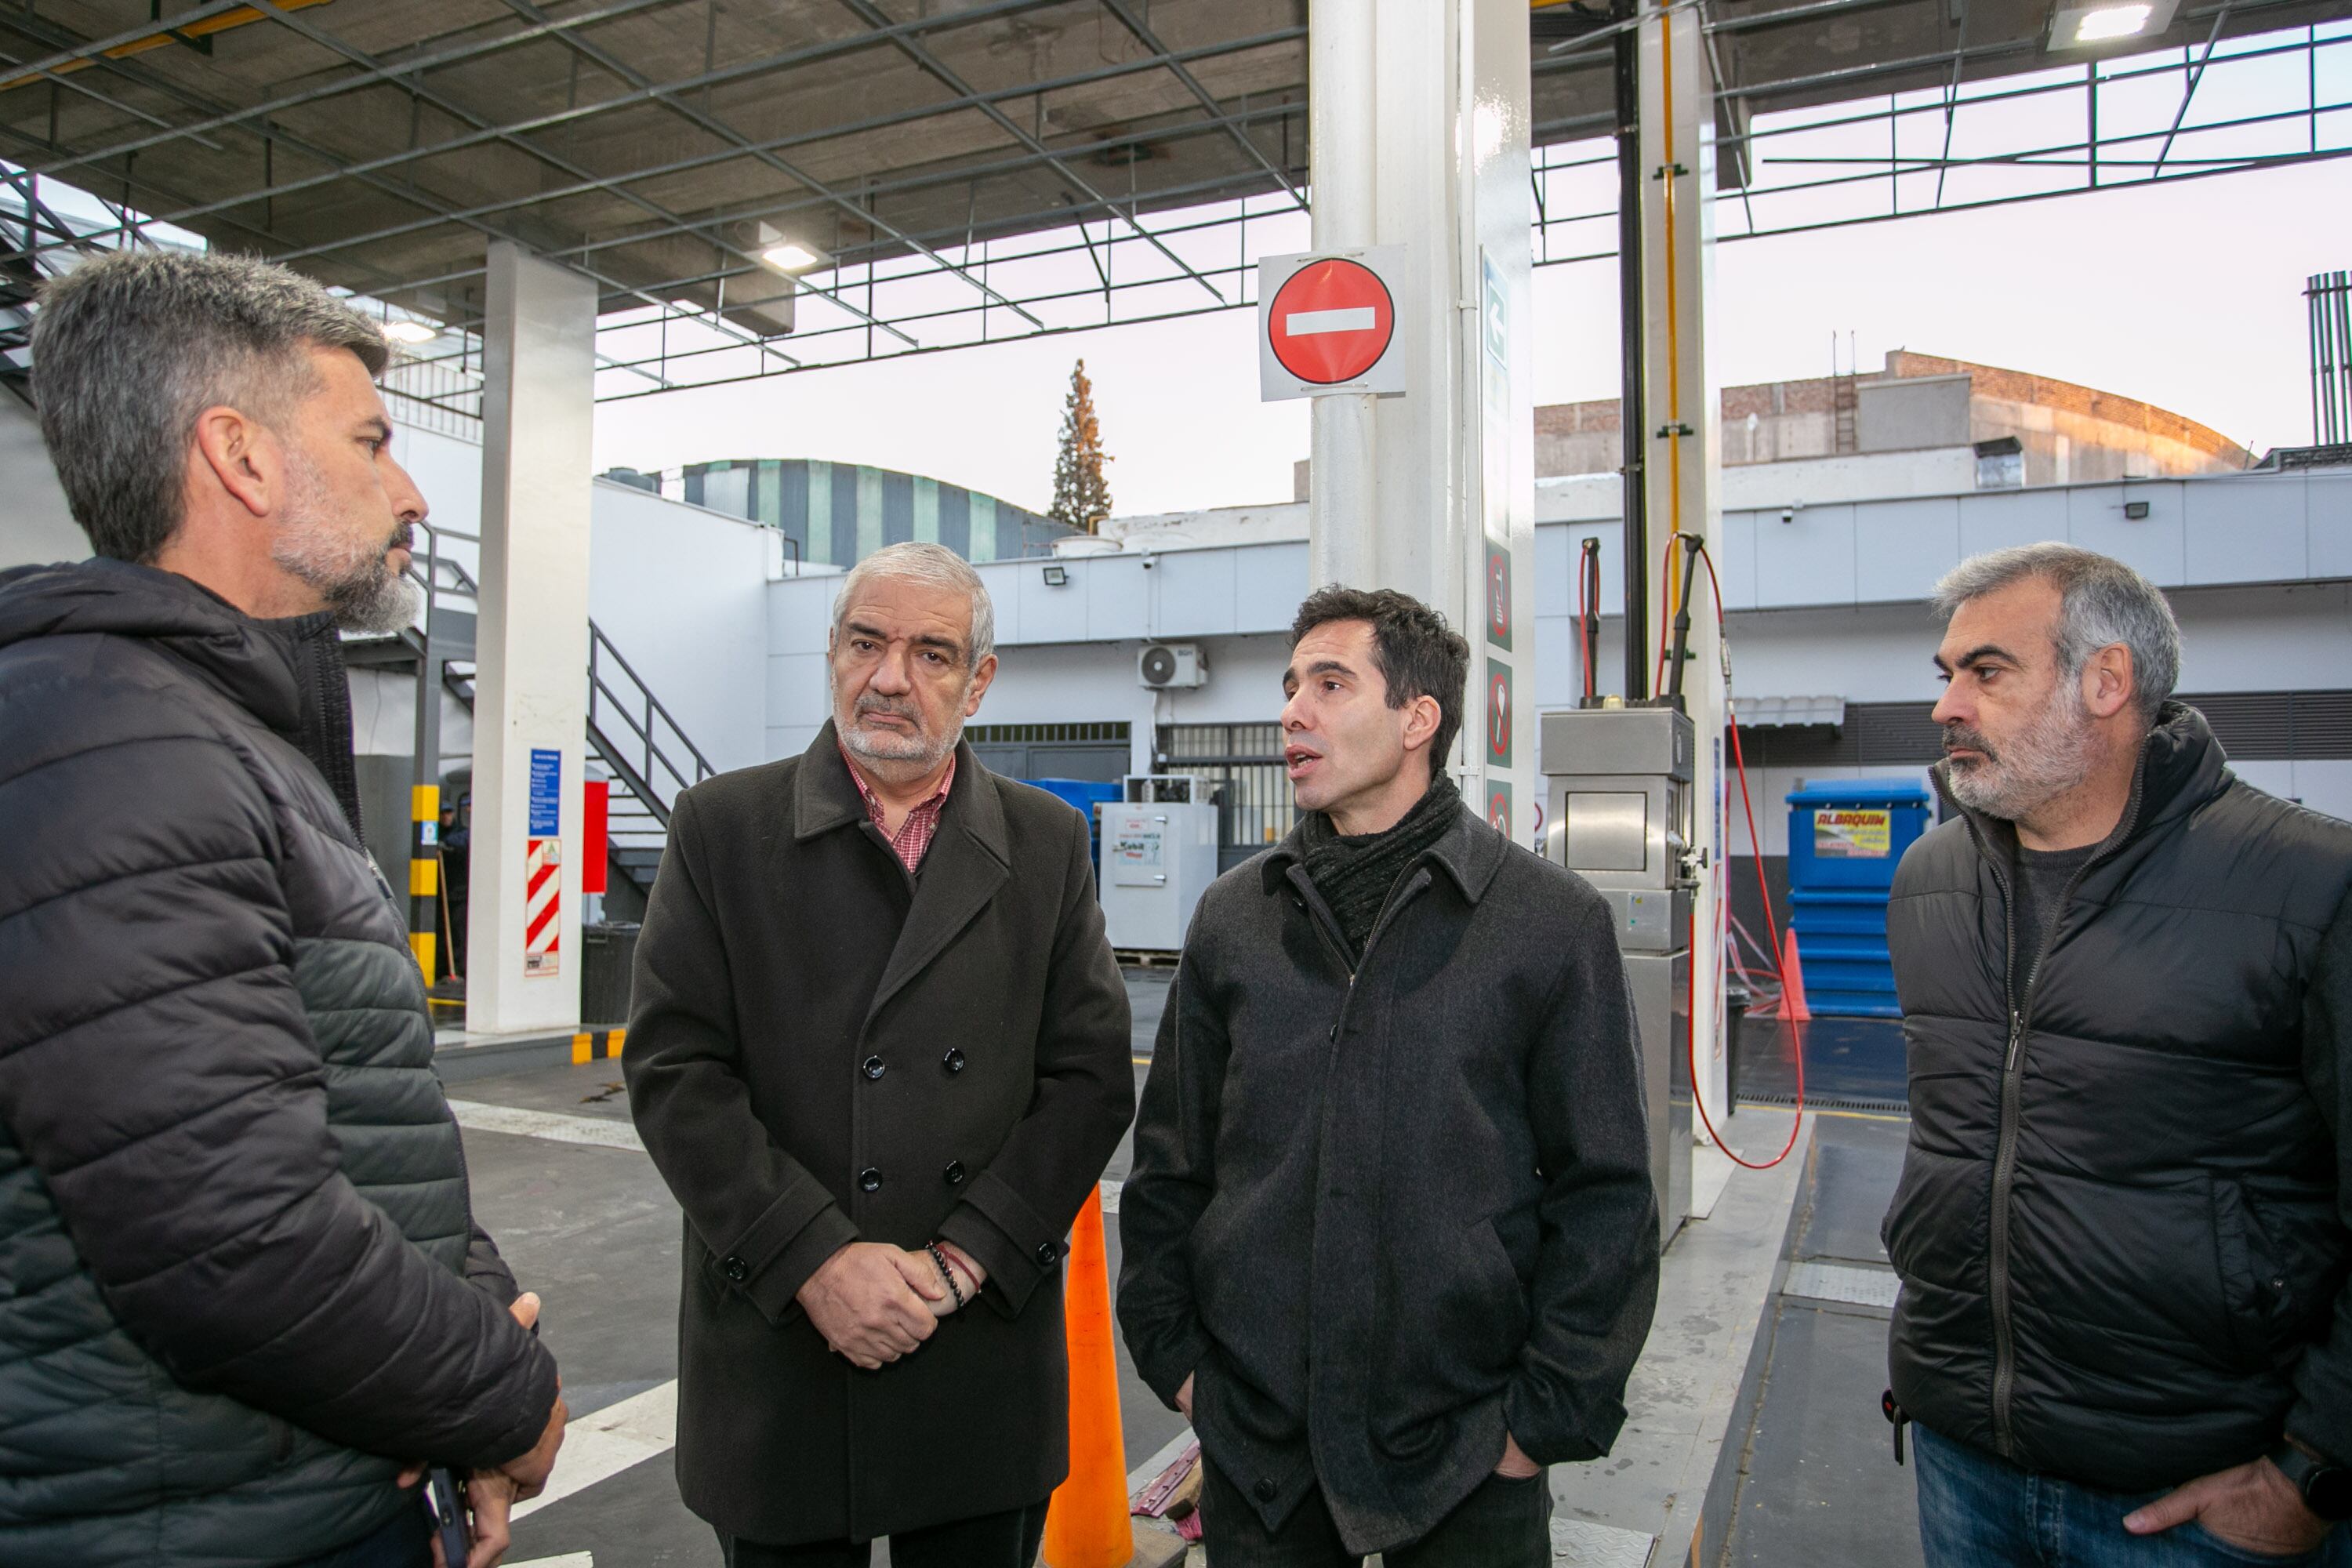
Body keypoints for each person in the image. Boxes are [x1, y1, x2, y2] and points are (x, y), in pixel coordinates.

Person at [0, 249, 565, 1568]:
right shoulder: (110, 748)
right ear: (241, 459)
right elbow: (229, 1241)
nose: (412, 491)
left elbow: (359, 1122)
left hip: (307, 1489)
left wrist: (471, 1323)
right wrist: (511, 1401)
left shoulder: (195, 730)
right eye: (371, 440)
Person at [1116, 585, 1661, 1566]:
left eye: (1330, 683)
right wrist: (1180, 1362)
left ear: (1420, 717)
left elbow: (1607, 1195)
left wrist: (1538, 1423)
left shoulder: (1547, 920)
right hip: (1260, 1444)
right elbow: (1170, 1165)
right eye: (1291, 686)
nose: (1292, 711)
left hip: (1465, 1449)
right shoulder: (1236, 917)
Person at [622, 541, 1134, 1567]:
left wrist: (961, 1262)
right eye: (867, 643)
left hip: (974, 1338)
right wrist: (815, 1260)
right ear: (833, 652)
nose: (891, 678)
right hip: (784, 1344)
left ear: (978, 682)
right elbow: (677, 1069)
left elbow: (1088, 1077)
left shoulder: (1043, 843)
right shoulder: (722, 828)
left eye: (932, 654)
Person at [1884, 543, 2352, 1566]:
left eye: (1987, 671)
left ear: (2107, 681)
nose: (1947, 706)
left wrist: (2316, 1470)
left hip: (2205, 1499)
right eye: (1947, 674)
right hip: (1965, 1461)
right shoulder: (1928, 881)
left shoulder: (2314, 887)